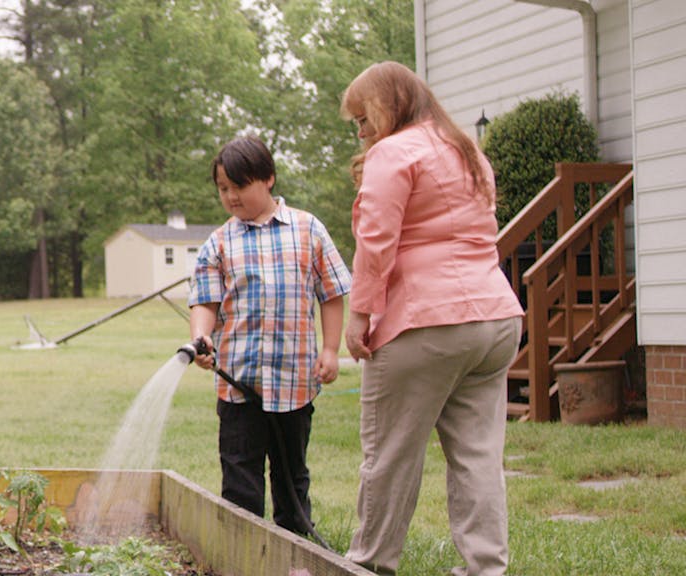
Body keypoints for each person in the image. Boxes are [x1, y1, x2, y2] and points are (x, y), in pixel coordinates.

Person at [339, 61, 524, 576]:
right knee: (478, 456)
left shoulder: (393, 152)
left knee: (391, 456)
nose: (359, 131)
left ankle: (369, 565)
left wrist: (360, 316)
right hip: (496, 318)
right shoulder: (466, 149)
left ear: (386, 104)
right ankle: (485, 569)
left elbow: (376, 241)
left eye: (362, 118)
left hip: (425, 321)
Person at [187, 134, 352, 536]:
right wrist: (201, 338)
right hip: (239, 386)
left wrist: (331, 349)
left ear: (269, 178)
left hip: (294, 385)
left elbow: (331, 294)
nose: (231, 197)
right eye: (223, 189)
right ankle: (242, 554)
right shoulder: (220, 242)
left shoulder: (308, 229)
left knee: (291, 478)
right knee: (240, 481)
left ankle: (295, 549)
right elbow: (205, 302)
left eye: (239, 186)